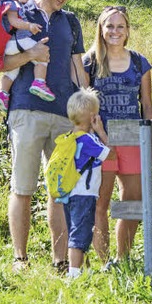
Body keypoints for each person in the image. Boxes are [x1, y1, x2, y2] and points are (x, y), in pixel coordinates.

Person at [0, 0, 87, 272]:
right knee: (23, 188)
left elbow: (78, 68)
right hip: (26, 111)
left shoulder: (70, 21)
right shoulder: (16, 12)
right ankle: (20, 258)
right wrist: (29, 55)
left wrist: (87, 110)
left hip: (63, 115)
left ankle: (59, 261)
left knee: (59, 191)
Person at [83, 5, 152, 264]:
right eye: (109, 26)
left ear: (127, 31)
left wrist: (151, 144)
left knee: (133, 201)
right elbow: (82, 104)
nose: (115, 31)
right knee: (100, 203)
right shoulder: (89, 62)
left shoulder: (139, 62)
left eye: (120, 26)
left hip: (133, 139)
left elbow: (146, 104)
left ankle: (123, 258)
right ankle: (104, 263)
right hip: (101, 142)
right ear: (101, 30)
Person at [62, 88, 111, 280]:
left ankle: (83, 269)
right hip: (85, 193)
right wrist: (101, 131)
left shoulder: (68, 138)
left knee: (79, 230)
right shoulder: (89, 140)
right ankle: (74, 274)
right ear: (93, 117)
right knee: (80, 234)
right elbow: (110, 153)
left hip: (69, 191)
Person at [0, 0, 55, 113]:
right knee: (42, 55)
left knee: (11, 72)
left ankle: (2, 93)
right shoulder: (11, 4)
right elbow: (14, 21)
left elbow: (16, 4)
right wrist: (29, 26)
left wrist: (24, 0)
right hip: (19, 40)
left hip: (8, 45)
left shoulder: (5, 2)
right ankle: (39, 83)